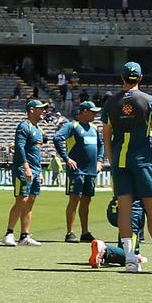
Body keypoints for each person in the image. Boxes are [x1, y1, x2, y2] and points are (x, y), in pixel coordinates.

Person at [102, 62, 152, 273]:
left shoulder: (110, 102)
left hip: (120, 161)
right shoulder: (149, 101)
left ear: (122, 78)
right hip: (142, 161)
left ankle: (129, 259)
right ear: (141, 78)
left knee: (125, 211)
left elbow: (106, 136)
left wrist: (112, 159)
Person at [54, 100, 105, 243]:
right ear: (84, 112)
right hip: (77, 171)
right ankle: (69, 232)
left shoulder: (94, 128)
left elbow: (101, 146)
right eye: (93, 112)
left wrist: (100, 161)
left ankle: (85, 232)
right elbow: (57, 138)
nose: (95, 114)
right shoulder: (72, 126)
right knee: (74, 199)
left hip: (90, 171)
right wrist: (66, 158)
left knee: (86, 201)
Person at [3, 99, 47, 248]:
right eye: (41, 109)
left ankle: (25, 235)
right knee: (22, 199)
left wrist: (39, 170)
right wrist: (26, 167)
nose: (44, 111)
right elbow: (20, 148)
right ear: (32, 110)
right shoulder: (24, 126)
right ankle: (9, 233)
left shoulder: (38, 129)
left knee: (31, 200)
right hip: (23, 169)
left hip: (35, 170)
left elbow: (37, 153)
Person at [89, 195, 146, 269]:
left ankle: (131, 252)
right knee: (130, 256)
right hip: (132, 212)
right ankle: (105, 249)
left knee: (126, 243)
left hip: (115, 207)